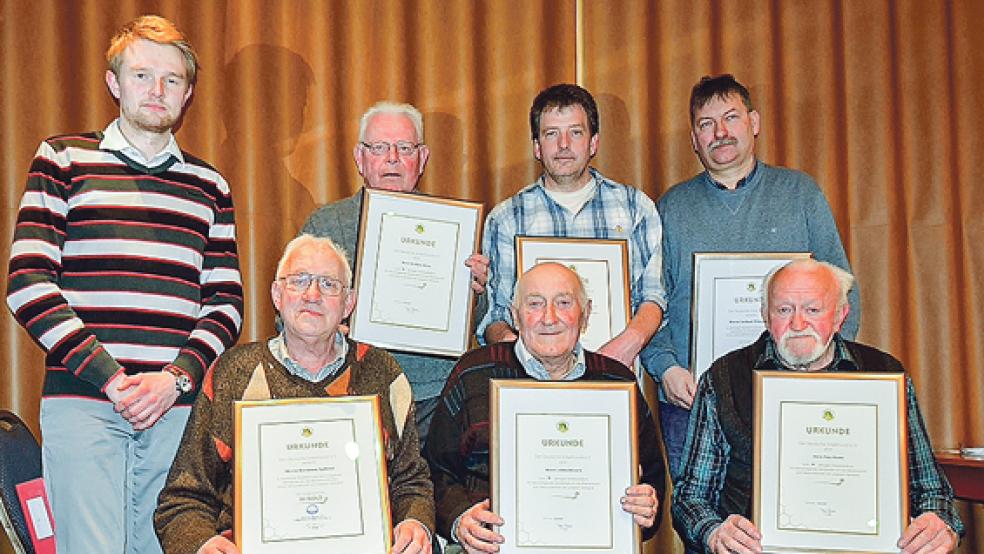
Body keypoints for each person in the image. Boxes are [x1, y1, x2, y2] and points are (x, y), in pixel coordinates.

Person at [4, 15, 243, 554]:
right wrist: (112, 379)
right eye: (142, 76)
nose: (156, 91)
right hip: (85, 400)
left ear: (188, 94)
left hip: (174, 408)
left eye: (172, 80)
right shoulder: (62, 158)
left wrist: (174, 380)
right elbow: (27, 282)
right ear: (115, 83)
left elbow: (226, 302)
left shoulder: (210, 185)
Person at [643, 74, 862, 481]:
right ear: (694, 138)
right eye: (706, 124)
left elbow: (844, 294)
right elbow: (651, 302)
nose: (720, 133)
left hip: (793, 396)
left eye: (731, 118)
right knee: (704, 531)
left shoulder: (800, 195)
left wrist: (821, 370)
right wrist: (666, 368)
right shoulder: (671, 208)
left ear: (754, 122)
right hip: (694, 404)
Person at [155, 234, 434, 553]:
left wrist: (416, 523)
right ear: (277, 294)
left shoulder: (382, 372)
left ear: (349, 303)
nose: (312, 295)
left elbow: (412, 482)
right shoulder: (233, 373)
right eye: (299, 281)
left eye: (329, 284)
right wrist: (200, 543)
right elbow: (183, 498)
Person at [672, 259, 962, 554]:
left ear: (840, 316)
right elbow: (691, 496)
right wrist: (715, 533)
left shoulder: (886, 375)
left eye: (813, 310)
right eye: (784, 310)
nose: (798, 324)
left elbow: (931, 489)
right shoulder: (724, 378)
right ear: (764, 315)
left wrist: (940, 525)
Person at [426, 262, 665, 553]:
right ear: (515, 316)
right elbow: (434, 471)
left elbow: (652, 479)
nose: (549, 318)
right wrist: (460, 518)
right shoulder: (473, 373)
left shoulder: (617, 383)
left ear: (585, 314)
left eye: (563, 303)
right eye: (535, 304)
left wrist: (646, 505)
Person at [301, 101, 488, 446]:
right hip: (351, 395)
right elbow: (290, 319)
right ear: (360, 158)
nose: (392, 158)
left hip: (436, 398)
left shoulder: (451, 228)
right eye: (379, 148)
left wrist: (476, 289)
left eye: (405, 148)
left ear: (422, 158)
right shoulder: (324, 226)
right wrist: (325, 325)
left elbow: (480, 322)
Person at [477, 83, 666, 369]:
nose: (563, 145)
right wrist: (525, 357)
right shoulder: (506, 218)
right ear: (537, 147)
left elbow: (654, 298)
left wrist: (617, 354)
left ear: (593, 143)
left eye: (575, 133)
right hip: (530, 385)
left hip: (614, 377)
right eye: (552, 134)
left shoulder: (636, 208)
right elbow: (496, 316)